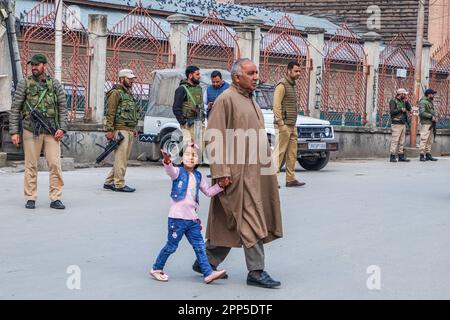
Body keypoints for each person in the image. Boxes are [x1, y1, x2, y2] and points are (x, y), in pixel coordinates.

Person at [192, 58, 283, 289]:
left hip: (255, 171)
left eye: (256, 73)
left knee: (229, 220)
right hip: (235, 174)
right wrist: (221, 171)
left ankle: (206, 260)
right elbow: (213, 136)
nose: (256, 77)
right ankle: (256, 271)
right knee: (250, 219)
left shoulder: (249, 99)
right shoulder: (226, 100)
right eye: (251, 73)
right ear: (236, 77)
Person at [150, 144, 227, 283]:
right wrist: (167, 161)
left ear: (198, 160)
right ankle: (156, 268)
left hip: (192, 220)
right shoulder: (178, 172)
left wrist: (220, 186)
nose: (191, 157)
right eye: (187, 154)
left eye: (194, 155)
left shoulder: (198, 176)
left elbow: (209, 192)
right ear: (181, 158)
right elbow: (170, 171)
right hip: (177, 219)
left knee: (199, 246)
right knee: (171, 246)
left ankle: (208, 273)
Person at [9, 53, 68, 210]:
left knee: (55, 164)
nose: (34, 67)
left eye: (37, 64)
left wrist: (62, 128)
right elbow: (15, 109)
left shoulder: (55, 84)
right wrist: (14, 132)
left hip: (51, 131)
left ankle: (55, 197)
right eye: (32, 65)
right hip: (31, 129)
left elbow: (63, 108)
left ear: (44, 66)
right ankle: (31, 197)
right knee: (31, 165)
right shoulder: (25, 84)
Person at [103, 69, 139, 192]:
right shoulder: (115, 93)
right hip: (120, 130)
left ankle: (109, 182)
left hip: (128, 129)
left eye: (132, 79)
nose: (132, 81)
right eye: (129, 79)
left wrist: (133, 128)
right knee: (121, 158)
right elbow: (110, 113)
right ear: (122, 79)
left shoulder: (128, 94)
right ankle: (119, 184)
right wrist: (109, 130)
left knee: (121, 158)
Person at [273, 61, 306, 187]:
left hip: (292, 125)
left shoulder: (292, 85)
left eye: (299, 71)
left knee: (292, 153)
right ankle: (272, 181)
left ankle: (290, 179)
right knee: (279, 154)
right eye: (296, 71)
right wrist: (281, 124)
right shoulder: (282, 85)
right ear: (289, 71)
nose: (298, 73)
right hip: (284, 125)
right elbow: (276, 106)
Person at [172, 66, 205, 151]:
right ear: (190, 76)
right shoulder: (181, 89)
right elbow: (176, 108)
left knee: (199, 148)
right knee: (189, 149)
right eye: (197, 74)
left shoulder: (199, 88)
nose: (199, 76)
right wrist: (183, 122)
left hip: (198, 123)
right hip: (188, 124)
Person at [389, 88, 412, 162]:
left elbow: (409, 109)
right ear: (401, 94)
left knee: (402, 141)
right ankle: (392, 156)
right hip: (396, 123)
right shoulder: (393, 101)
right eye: (404, 94)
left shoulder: (403, 101)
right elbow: (392, 111)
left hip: (403, 123)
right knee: (395, 140)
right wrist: (401, 110)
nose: (405, 95)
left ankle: (401, 156)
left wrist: (407, 101)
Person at [419, 88, 439, 162]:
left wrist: (435, 117)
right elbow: (422, 113)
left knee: (429, 140)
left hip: (431, 123)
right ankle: (421, 155)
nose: (433, 95)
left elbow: (432, 112)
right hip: (426, 123)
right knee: (424, 139)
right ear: (429, 94)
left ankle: (428, 154)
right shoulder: (423, 102)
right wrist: (431, 116)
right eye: (432, 94)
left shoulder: (430, 102)